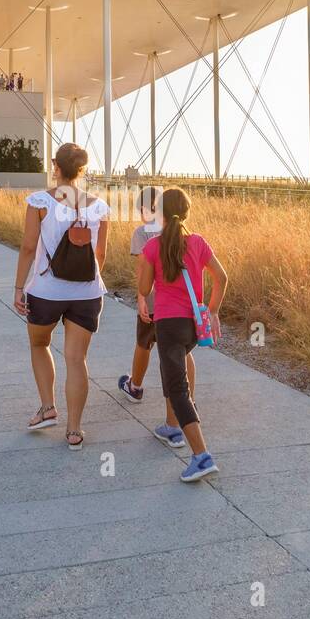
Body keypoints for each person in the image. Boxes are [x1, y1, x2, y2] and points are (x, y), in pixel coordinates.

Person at [13, 143, 111, 450]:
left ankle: (47, 408)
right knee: (76, 359)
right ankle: (74, 431)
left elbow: (29, 247)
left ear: (56, 165)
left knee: (39, 343)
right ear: (82, 170)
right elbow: (100, 255)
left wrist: (19, 287)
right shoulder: (99, 205)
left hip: (46, 291)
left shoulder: (40, 201)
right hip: (88, 293)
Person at [137, 187, 228, 482]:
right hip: (193, 325)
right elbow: (221, 278)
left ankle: (201, 456)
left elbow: (144, 288)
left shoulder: (153, 246)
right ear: (187, 212)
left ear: (159, 213)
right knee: (175, 375)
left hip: (169, 325)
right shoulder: (198, 242)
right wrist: (212, 310)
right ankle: (171, 427)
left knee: (177, 390)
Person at [117, 186, 197, 449]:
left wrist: (141, 300)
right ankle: (188, 403)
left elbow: (144, 273)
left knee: (145, 345)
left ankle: (136, 387)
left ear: (146, 209)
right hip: (184, 309)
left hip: (154, 306)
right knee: (182, 354)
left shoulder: (143, 234)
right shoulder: (184, 235)